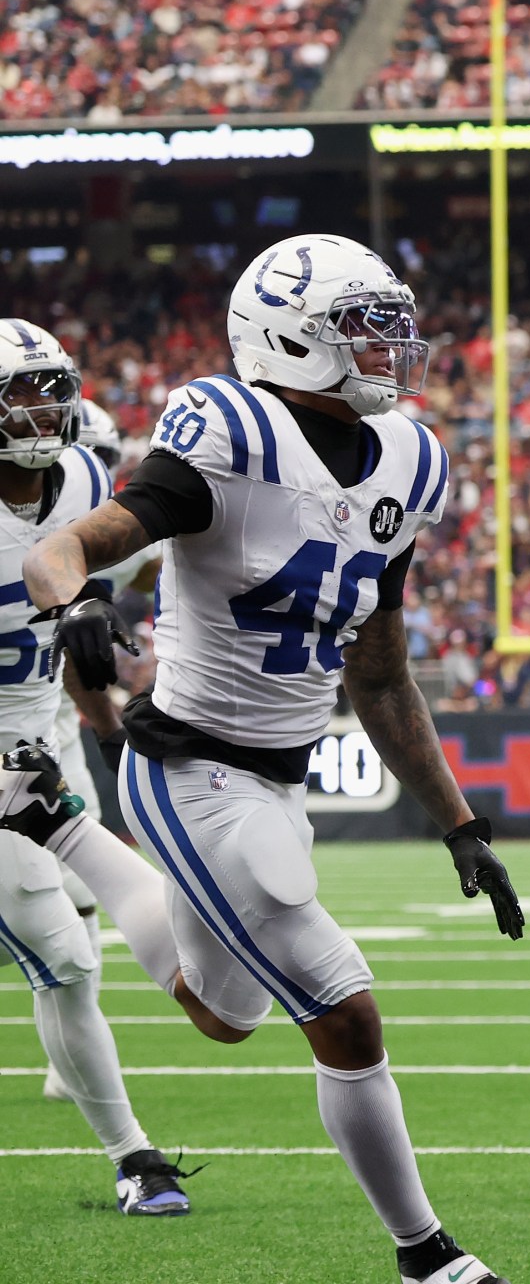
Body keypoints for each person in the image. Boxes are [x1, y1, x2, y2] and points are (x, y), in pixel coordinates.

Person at [1, 237, 522, 1284]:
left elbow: (379, 678)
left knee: (219, 1013)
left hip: (276, 772)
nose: (391, 343)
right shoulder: (228, 431)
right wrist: (86, 607)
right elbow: (60, 551)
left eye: (389, 320)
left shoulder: (411, 463)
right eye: (363, 323)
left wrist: (460, 822)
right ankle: (429, 1256)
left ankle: (60, 827)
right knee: (344, 1005)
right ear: (291, 335)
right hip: (190, 765)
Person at [0, 320, 191, 1214]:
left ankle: (133, 1157)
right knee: (62, 954)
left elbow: (81, 617)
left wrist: (104, 715)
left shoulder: (80, 476)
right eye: (21, 393)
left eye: (51, 387)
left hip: (32, 746)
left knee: (66, 958)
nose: (43, 409)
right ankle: (133, 1155)